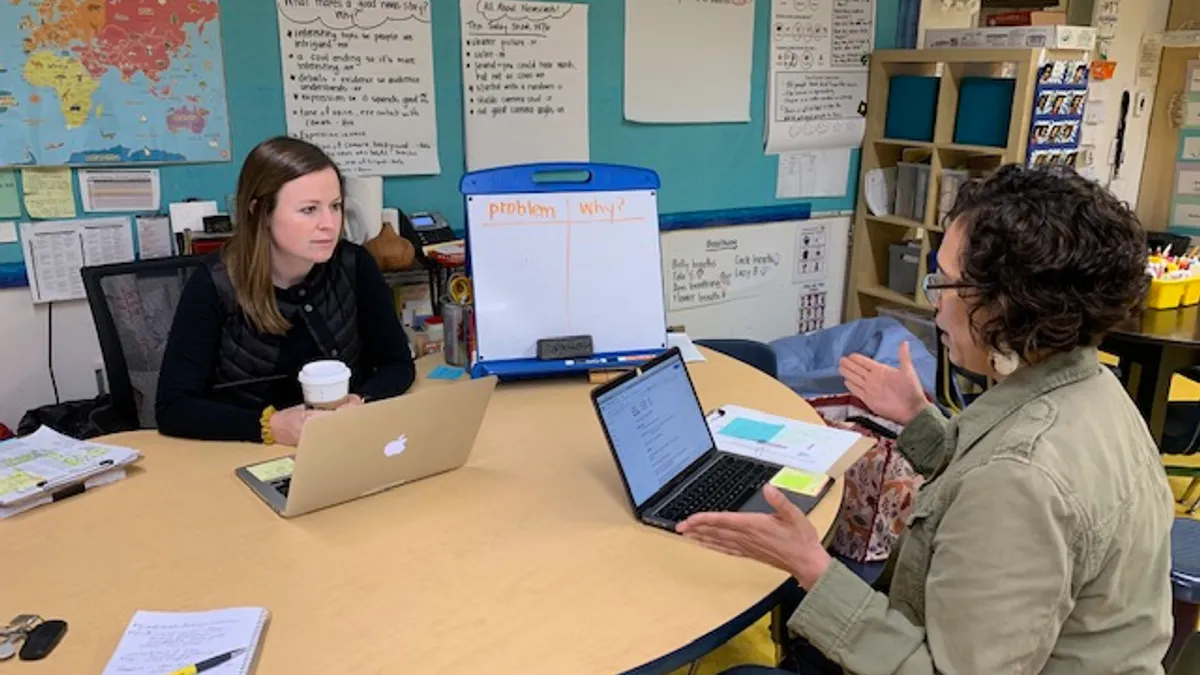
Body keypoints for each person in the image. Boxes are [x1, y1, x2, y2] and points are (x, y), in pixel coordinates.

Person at [679, 165, 1175, 674]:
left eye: (944, 281)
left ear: (1004, 304)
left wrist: (810, 564)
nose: (933, 300)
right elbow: (989, 478)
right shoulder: (1091, 390)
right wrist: (918, 418)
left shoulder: (1018, 480)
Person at [156, 136, 416, 446]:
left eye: (335, 206)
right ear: (261, 212)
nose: (329, 224)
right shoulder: (215, 282)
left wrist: (360, 401)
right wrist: (272, 426)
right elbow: (174, 407)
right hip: (238, 454)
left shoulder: (354, 264)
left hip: (339, 445)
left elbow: (398, 364)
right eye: (309, 210)